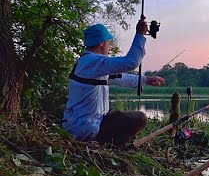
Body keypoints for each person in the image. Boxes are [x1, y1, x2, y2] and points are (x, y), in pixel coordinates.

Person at [62, 16, 165, 148]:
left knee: (116, 115)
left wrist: (146, 80)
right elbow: (131, 62)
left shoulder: (89, 63)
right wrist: (140, 35)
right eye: (108, 43)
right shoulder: (92, 61)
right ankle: (114, 147)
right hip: (86, 129)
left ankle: (109, 144)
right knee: (140, 118)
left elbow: (119, 77)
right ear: (101, 43)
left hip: (79, 125)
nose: (109, 47)